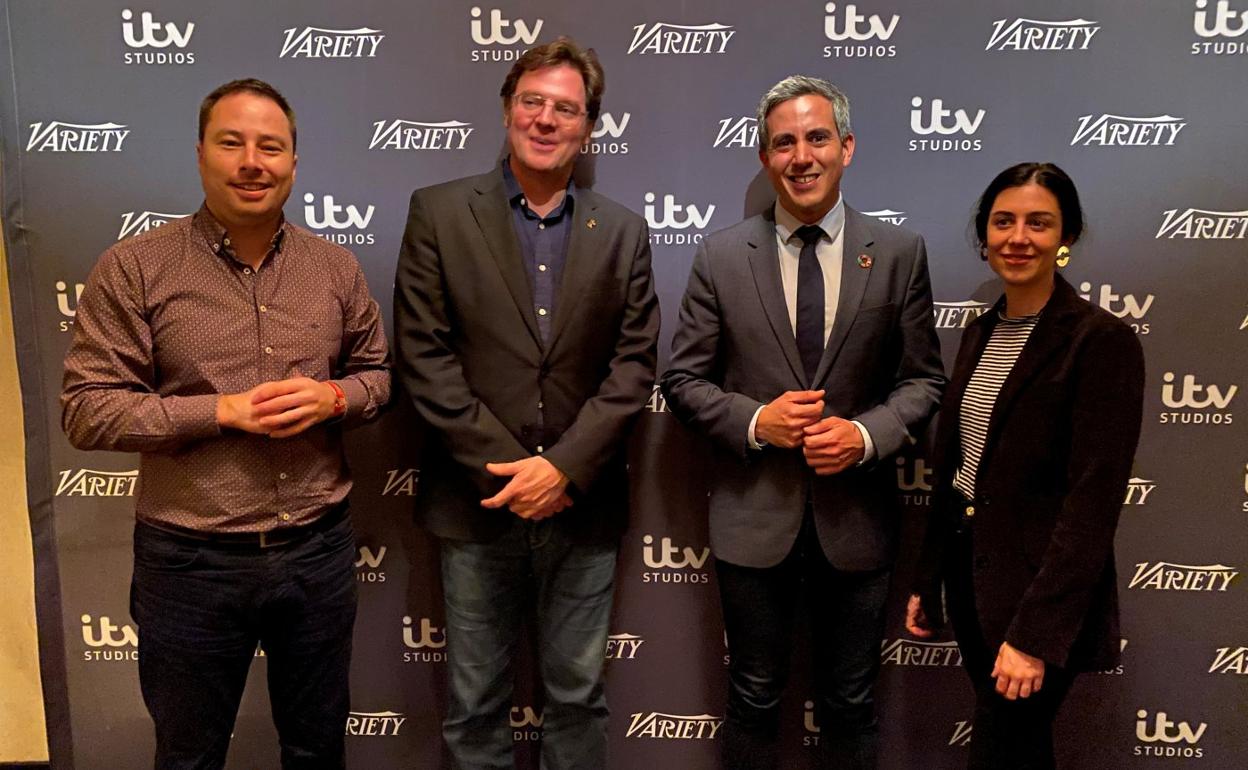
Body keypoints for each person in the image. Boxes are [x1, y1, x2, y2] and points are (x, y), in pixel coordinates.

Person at [61, 78, 391, 770]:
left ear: (294, 164)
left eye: (271, 147)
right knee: (189, 755)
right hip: (190, 560)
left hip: (316, 550)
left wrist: (334, 400)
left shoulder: (334, 267)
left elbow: (379, 377)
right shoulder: (135, 268)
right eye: (232, 143)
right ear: (200, 153)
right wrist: (220, 411)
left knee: (317, 746)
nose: (252, 161)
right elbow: (87, 408)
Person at [660, 75, 945, 769]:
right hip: (753, 523)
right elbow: (682, 379)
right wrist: (758, 421)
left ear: (847, 147)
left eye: (817, 137)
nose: (802, 155)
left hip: (858, 524)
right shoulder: (722, 256)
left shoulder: (899, 253)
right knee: (754, 698)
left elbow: (925, 380)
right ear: (764, 158)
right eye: (783, 142)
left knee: (851, 702)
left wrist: (865, 435)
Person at [392, 38, 659, 769]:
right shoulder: (440, 212)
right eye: (532, 102)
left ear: (589, 126)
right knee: (476, 705)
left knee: (577, 699)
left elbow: (634, 366)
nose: (546, 119)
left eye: (565, 108)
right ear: (509, 110)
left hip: (584, 503)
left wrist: (563, 469)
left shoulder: (625, 231)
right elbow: (424, 355)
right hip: (476, 503)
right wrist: (514, 470)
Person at [906, 162, 1145, 769]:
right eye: (1003, 221)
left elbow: (1092, 503)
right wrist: (929, 578)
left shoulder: (1100, 341)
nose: (1019, 238)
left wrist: (1034, 636)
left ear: (1066, 238)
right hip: (972, 577)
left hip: (1038, 597)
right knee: (1018, 751)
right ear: (983, 235)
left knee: (1002, 749)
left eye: (1039, 223)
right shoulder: (981, 330)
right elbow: (959, 463)